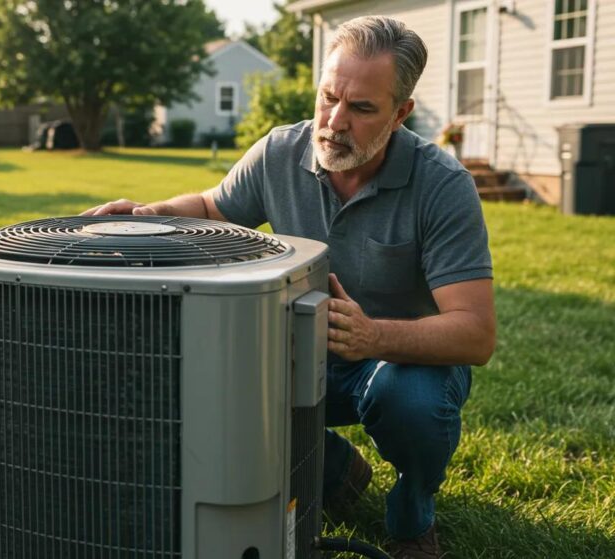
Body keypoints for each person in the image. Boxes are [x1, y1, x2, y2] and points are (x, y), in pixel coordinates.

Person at [82, 16, 495, 559]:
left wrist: (373, 337)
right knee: (200, 376)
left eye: (362, 109)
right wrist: (153, 214)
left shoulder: (442, 185)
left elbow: (475, 334)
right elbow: (213, 208)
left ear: (400, 115)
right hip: (300, 356)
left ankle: (412, 519)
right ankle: (335, 468)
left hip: (396, 361)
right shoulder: (282, 150)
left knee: (408, 398)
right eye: (328, 98)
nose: (335, 122)